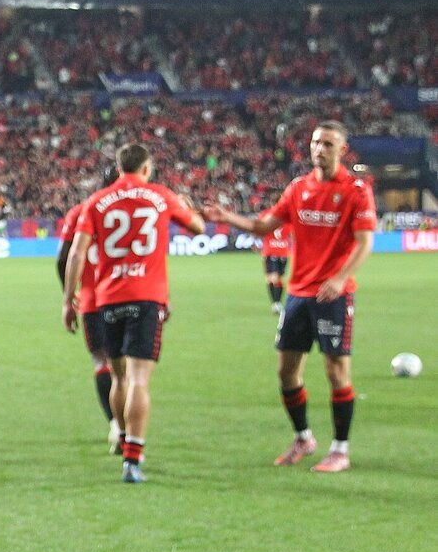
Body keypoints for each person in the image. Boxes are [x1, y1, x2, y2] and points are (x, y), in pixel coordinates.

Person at [203, 121, 375, 473]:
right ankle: (303, 438)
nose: (319, 149)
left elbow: (364, 243)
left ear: (342, 150)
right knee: (286, 372)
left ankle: (340, 449)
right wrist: (227, 217)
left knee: (336, 372)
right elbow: (264, 225)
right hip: (299, 293)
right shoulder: (299, 188)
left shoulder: (356, 190)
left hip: (333, 295)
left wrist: (341, 279)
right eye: (315, 142)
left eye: (327, 144)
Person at [60, 144, 204, 483]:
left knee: (119, 376)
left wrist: (69, 300)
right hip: (146, 298)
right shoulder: (160, 195)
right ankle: (133, 460)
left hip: (108, 299)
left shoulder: (95, 202)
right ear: (147, 167)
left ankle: (122, 437)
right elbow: (196, 226)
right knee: (140, 379)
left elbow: (76, 254)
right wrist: (186, 208)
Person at [56, 177, 120, 451]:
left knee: (101, 361)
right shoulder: (139, 209)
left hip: (94, 298)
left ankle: (116, 425)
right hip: (131, 294)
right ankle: (132, 431)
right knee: (130, 368)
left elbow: (64, 258)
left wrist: (69, 297)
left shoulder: (81, 211)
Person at [261, 222, 291, 315]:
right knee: (270, 279)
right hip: (269, 252)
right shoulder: (267, 216)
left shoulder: (287, 221)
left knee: (277, 278)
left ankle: (277, 303)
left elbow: (293, 233)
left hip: (282, 253)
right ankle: (275, 303)